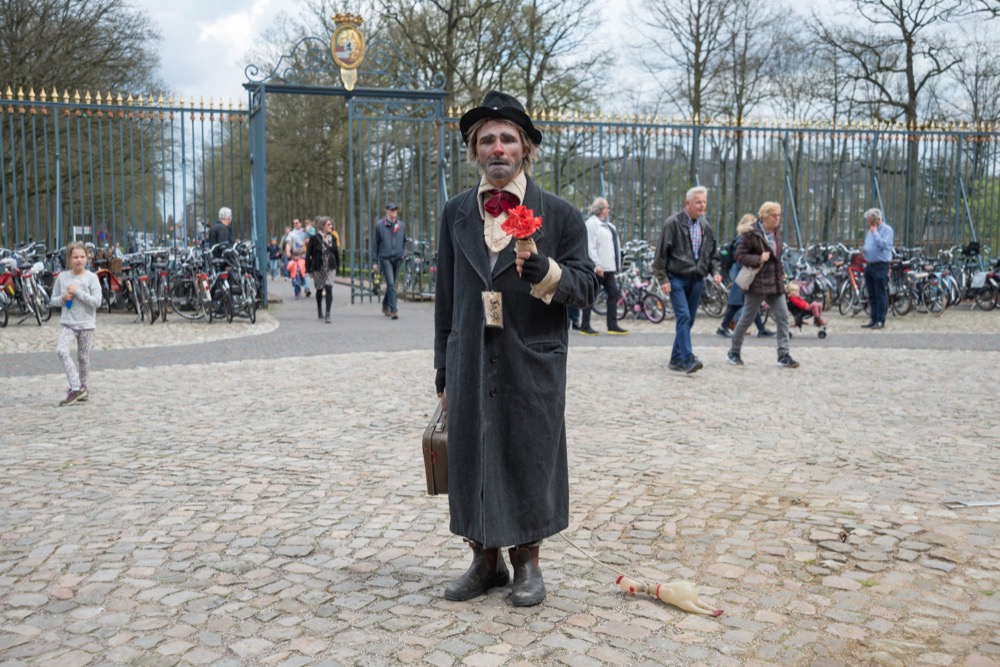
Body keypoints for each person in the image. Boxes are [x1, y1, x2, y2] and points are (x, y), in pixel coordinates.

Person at [434, 91, 597, 607]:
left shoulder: (561, 215)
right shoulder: (456, 213)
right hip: (469, 356)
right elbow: (446, 297)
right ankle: (484, 561)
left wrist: (549, 274)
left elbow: (588, 286)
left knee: (528, 450)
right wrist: (443, 367)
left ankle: (528, 562)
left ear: (525, 148)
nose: (497, 147)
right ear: (473, 151)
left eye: (507, 138)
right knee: (472, 451)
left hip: (533, 354)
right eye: (486, 140)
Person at [652, 185, 723, 374]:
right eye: (698, 202)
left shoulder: (705, 226)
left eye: (704, 202)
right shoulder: (673, 223)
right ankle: (688, 359)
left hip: (697, 279)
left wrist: (715, 271)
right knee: (683, 316)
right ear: (687, 203)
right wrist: (663, 279)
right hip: (676, 278)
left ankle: (676, 359)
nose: (702, 206)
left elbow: (712, 254)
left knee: (688, 320)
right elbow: (660, 255)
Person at [726, 201, 799, 368]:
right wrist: (758, 259)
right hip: (757, 283)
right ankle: (734, 351)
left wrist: (785, 280)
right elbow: (738, 255)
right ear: (765, 216)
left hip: (775, 283)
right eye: (774, 215)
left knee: (783, 318)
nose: (777, 218)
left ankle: (783, 354)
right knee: (747, 319)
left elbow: (777, 260)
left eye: (779, 215)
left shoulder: (777, 236)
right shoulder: (752, 234)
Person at [49, 242, 102, 406]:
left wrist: (78, 292)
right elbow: (53, 300)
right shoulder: (62, 277)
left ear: (87, 258)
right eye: (75, 257)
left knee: (83, 358)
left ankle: (83, 388)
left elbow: (97, 302)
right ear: (69, 259)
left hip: (86, 323)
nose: (79, 260)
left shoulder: (92, 278)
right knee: (62, 351)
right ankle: (76, 386)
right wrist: (63, 298)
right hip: (68, 323)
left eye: (82, 257)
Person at [717, 214, 774, 338]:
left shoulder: (745, 238)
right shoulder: (743, 239)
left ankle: (761, 329)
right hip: (742, 274)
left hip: (746, 274)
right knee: (736, 302)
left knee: (751, 303)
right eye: (754, 222)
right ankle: (723, 327)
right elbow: (740, 258)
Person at [579, 197, 628, 336]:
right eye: (607, 207)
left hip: (609, 267)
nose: (609, 209)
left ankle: (612, 325)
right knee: (591, 295)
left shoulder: (609, 225)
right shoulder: (591, 224)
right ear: (600, 209)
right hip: (598, 268)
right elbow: (590, 245)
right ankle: (585, 325)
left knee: (614, 294)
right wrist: (596, 264)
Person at [371, 202, 406, 319]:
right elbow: (375, 244)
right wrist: (375, 262)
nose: (394, 211)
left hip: (398, 258)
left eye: (395, 209)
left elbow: (405, 241)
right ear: (386, 211)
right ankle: (394, 309)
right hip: (385, 258)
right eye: (392, 210)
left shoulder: (401, 225)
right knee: (390, 283)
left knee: (392, 285)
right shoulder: (379, 225)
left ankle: (385, 305)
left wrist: (404, 253)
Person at [861, 207, 893, 330]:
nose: (869, 224)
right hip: (870, 264)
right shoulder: (870, 231)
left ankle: (880, 320)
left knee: (880, 294)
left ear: (878, 220)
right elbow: (869, 244)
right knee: (871, 294)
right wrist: (864, 249)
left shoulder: (887, 230)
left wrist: (875, 233)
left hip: (881, 265)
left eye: (871, 221)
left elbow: (883, 245)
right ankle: (873, 319)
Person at [306, 216, 341, 323]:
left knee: (329, 288)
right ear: (322, 226)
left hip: (330, 266)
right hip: (318, 266)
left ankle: (328, 313)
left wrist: (338, 267)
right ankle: (319, 309)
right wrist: (308, 269)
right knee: (319, 289)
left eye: (331, 224)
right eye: (328, 224)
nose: (331, 226)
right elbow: (308, 255)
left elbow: (336, 254)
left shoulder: (333, 238)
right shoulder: (314, 238)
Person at [285, 219, 311, 296]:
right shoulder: (291, 233)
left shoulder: (305, 232)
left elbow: (311, 239)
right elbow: (288, 244)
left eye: (296, 223)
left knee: (305, 272)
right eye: (293, 223)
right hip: (295, 255)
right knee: (296, 273)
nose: (295, 224)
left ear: (300, 223)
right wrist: (288, 251)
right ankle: (297, 287)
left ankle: (307, 288)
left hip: (304, 255)